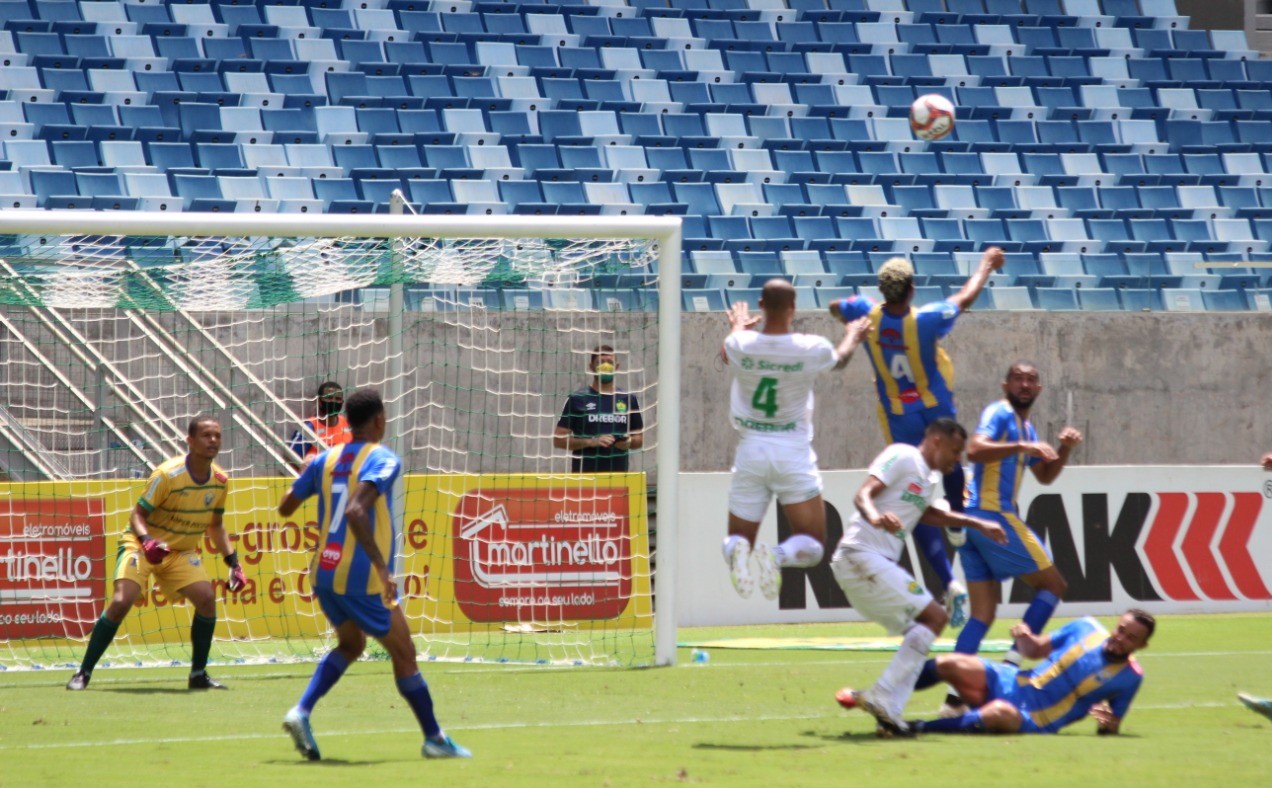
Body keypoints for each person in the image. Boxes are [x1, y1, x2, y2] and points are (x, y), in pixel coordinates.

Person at [277, 388, 471, 760]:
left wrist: (306, 472)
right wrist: (383, 569)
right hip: (361, 576)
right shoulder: (382, 458)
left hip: (324, 572)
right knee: (405, 652)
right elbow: (354, 510)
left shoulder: (324, 459)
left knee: (352, 645)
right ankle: (434, 739)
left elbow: (286, 507)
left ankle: (300, 711)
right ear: (380, 420)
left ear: (347, 421)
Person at [828, 247, 1005, 628]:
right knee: (953, 463)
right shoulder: (925, 320)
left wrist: (850, 319)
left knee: (916, 491)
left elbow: (833, 306)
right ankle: (957, 526)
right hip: (934, 407)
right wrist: (986, 265)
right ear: (911, 288)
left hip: (899, 414)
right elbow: (965, 297)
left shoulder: (866, 311)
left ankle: (946, 578)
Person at [829, 419, 1008, 734]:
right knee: (935, 617)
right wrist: (876, 517)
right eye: (955, 451)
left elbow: (929, 514)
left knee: (921, 632)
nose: (958, 460)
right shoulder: (902, 455)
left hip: (868, 567)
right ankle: (883, 695)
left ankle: (890, 715)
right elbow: (863, 494)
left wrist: (977, 524)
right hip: (861, 556)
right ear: (936, 441)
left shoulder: (928, 479)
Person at [67, 416, 245, 691]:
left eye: (217, 436)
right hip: (142, 545)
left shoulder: (220, 480)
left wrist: (233, 563)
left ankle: (198, 675)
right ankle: (83, 672)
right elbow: (137, 515)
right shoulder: (166, 474)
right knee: (121, 601)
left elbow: (216, 526)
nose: (213, 440)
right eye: (206, 435)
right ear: (190, 441)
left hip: (180, 552)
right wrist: (148, 541)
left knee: (207, 599)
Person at [721, 279, 872, 600]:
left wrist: (736, 323)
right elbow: (841, 358)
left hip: (751, 450)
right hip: (792, 451)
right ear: (793, 308)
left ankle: (739, 556)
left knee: (736, 540)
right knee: (813, 544)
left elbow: (728, 346)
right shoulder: (809, 348)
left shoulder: (740, 344)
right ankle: (776, 556)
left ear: (761, 305)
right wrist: (853, 334)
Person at [952, 362, 1084, 694]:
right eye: (1018, 379)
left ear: (1039, 389)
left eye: (1031, 380)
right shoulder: (999, 414)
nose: (1024, 384)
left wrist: (1064, 448)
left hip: (972, 523)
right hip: (993, 515)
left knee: (982, 615)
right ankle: (1011, 666)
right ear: (1005, 385)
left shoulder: (1026, 428)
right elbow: (974, 449)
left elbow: (1045, 476)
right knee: (1053, 585)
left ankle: (954, 696)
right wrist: (1023, 448)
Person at [884, 610, 1155, 735]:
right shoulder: (1086, 627)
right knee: (950, 662)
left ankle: (915, 726)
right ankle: (885, 696)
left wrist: (1109, 725)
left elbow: (1113, 724)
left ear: (1141, 645)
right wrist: (1025, 638)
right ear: (1116, 623)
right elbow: (1036, 649)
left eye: (1131, 638)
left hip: (1037, 719)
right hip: (1014, 681)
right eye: (1121, 629)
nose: (1120, 638)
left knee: (998, 713)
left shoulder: (1131, 677)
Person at [553, 345, 644, 472]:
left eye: (610, 363)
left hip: (619, 477)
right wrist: (591, 442)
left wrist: (628, 442)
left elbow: (639, 439)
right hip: (584, 478)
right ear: (591, 367)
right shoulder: (577, 399)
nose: (605, 366)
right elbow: (558, 440)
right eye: (600, 362)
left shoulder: (628, 399)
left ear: (616, 367)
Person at [288, 381, 351, 465]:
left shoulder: (348, 424)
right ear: (319, 401)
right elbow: (290, 460)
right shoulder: (309, 427)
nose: (333, 401)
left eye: (338, 399)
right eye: (329, 397)